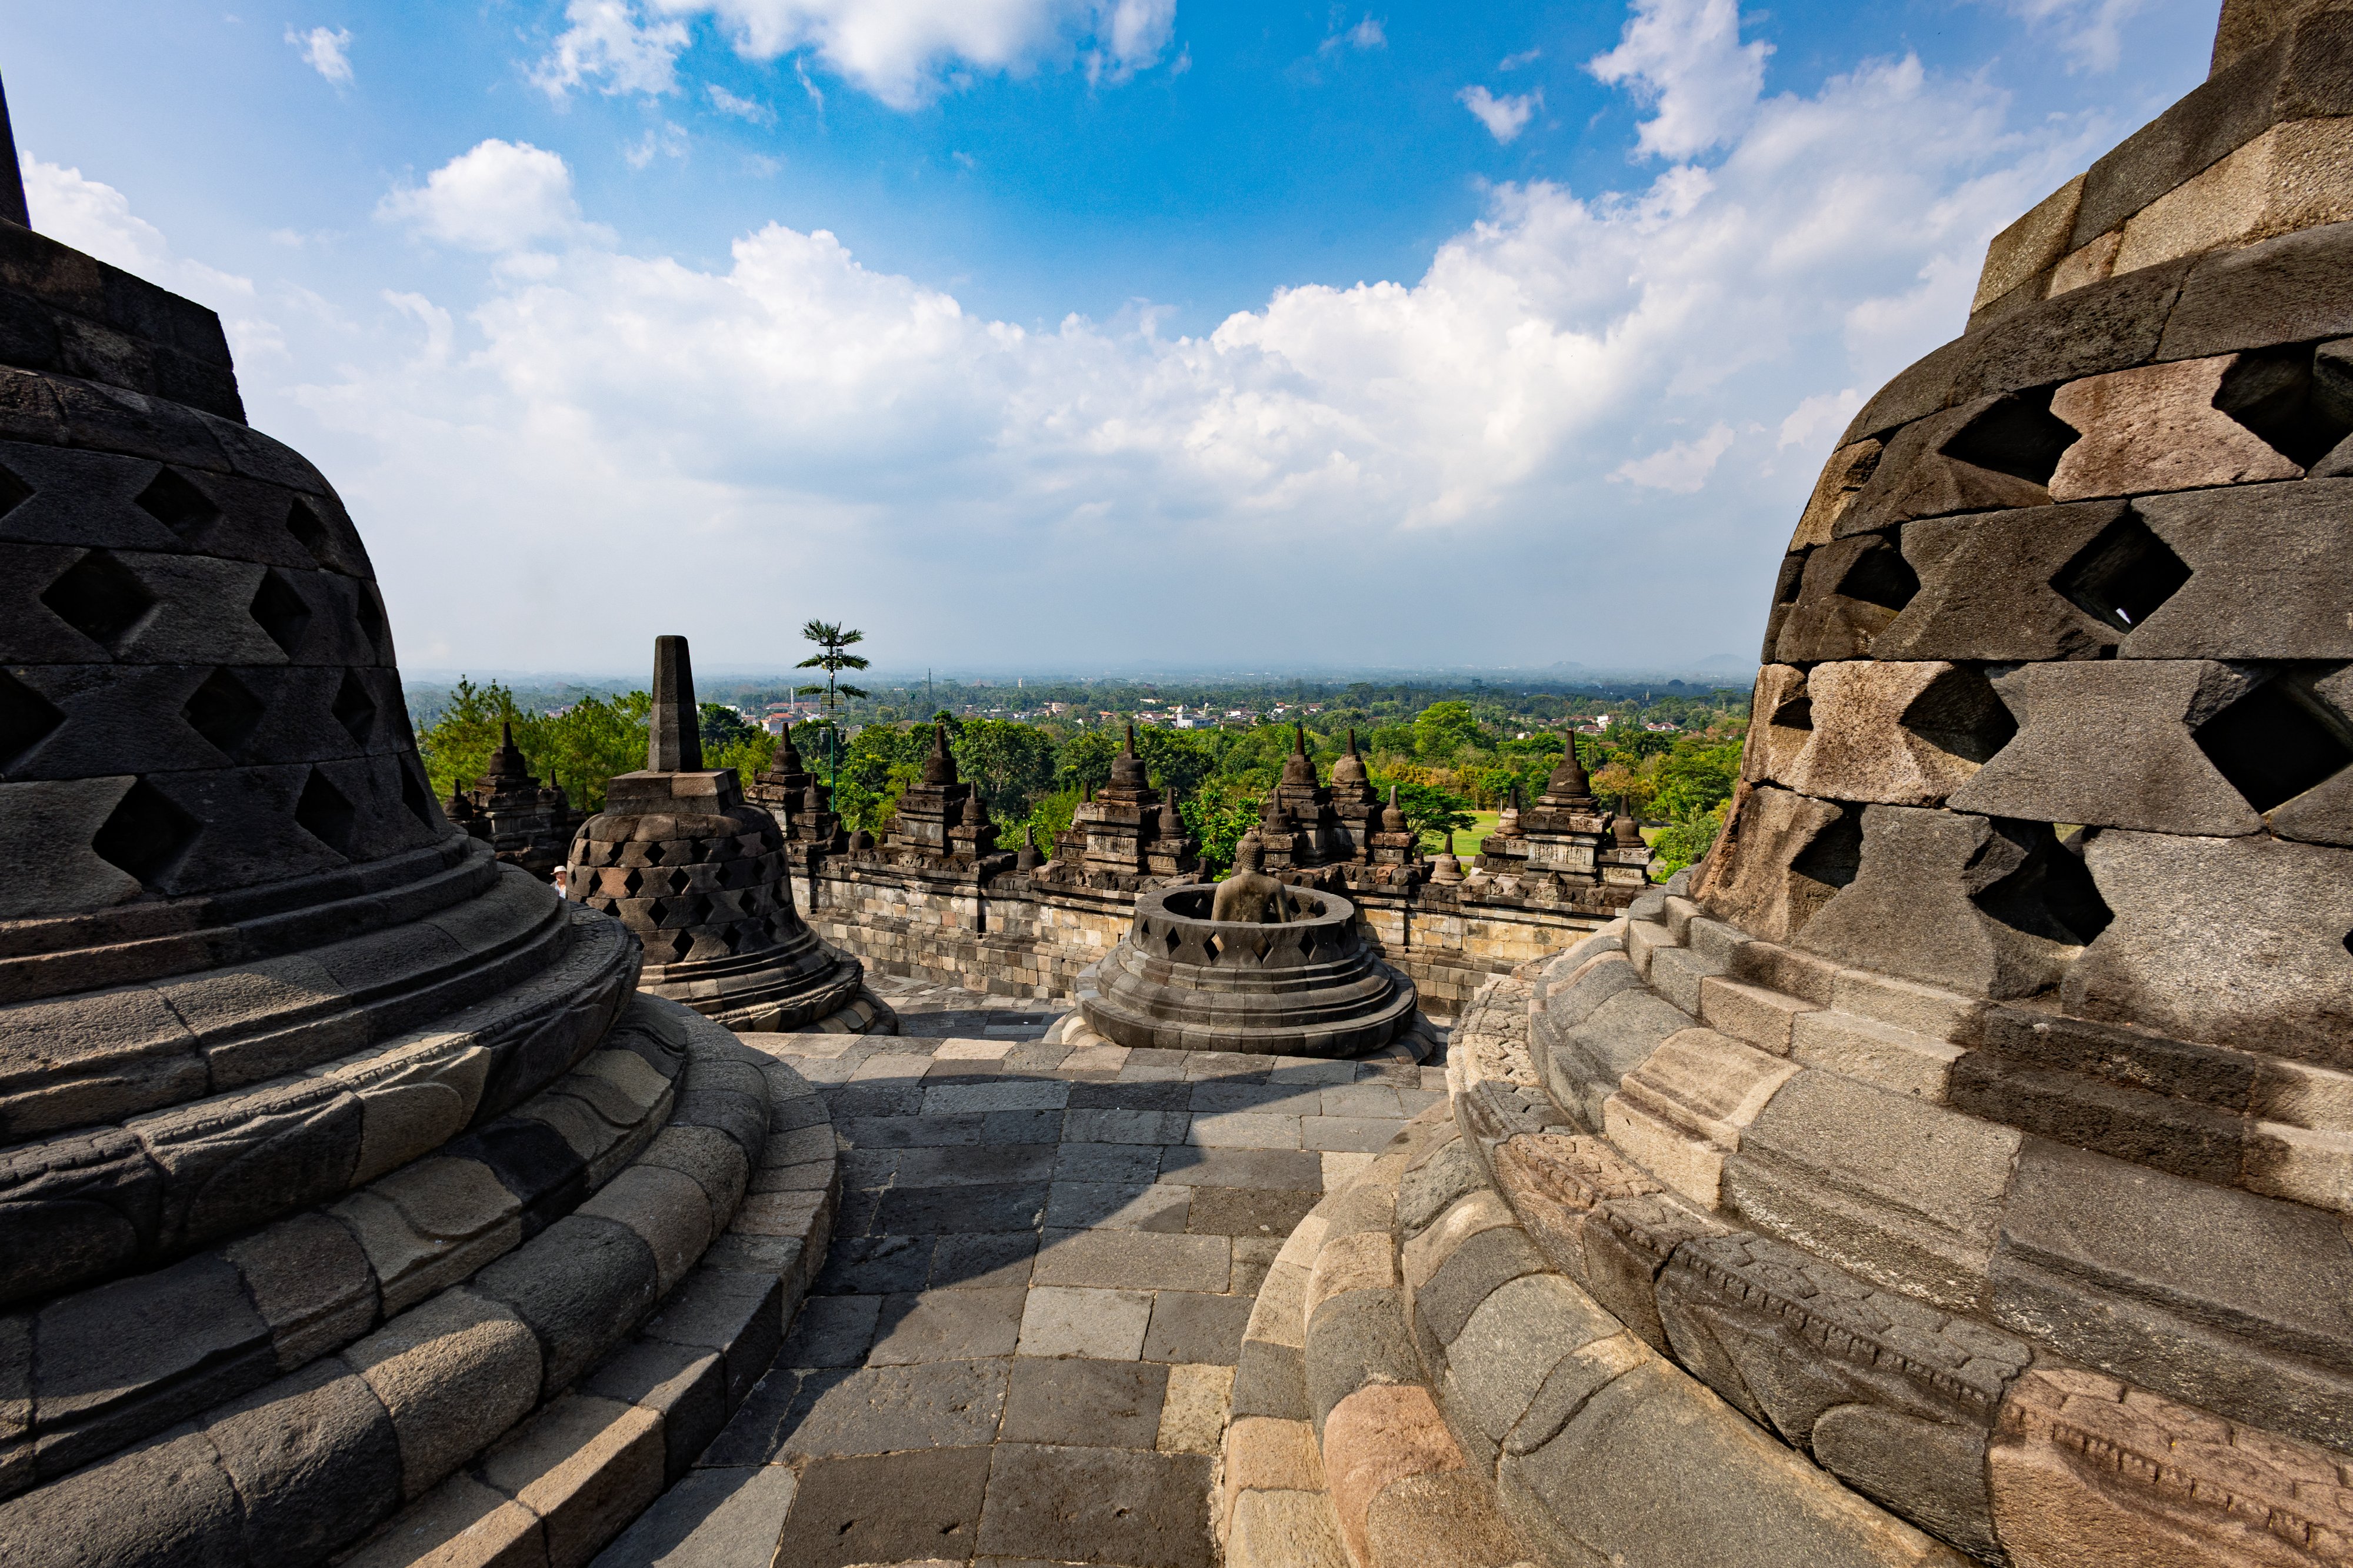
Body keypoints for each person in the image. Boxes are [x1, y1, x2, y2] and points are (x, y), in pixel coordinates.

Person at [1211, 832, 1294, 923]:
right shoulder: (1275, 885)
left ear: (1238, 859)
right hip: (1263, 937)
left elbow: (1215, 925)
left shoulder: (1224, 887)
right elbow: (1285, 924)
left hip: (1228, 937)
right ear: (1263, 859)